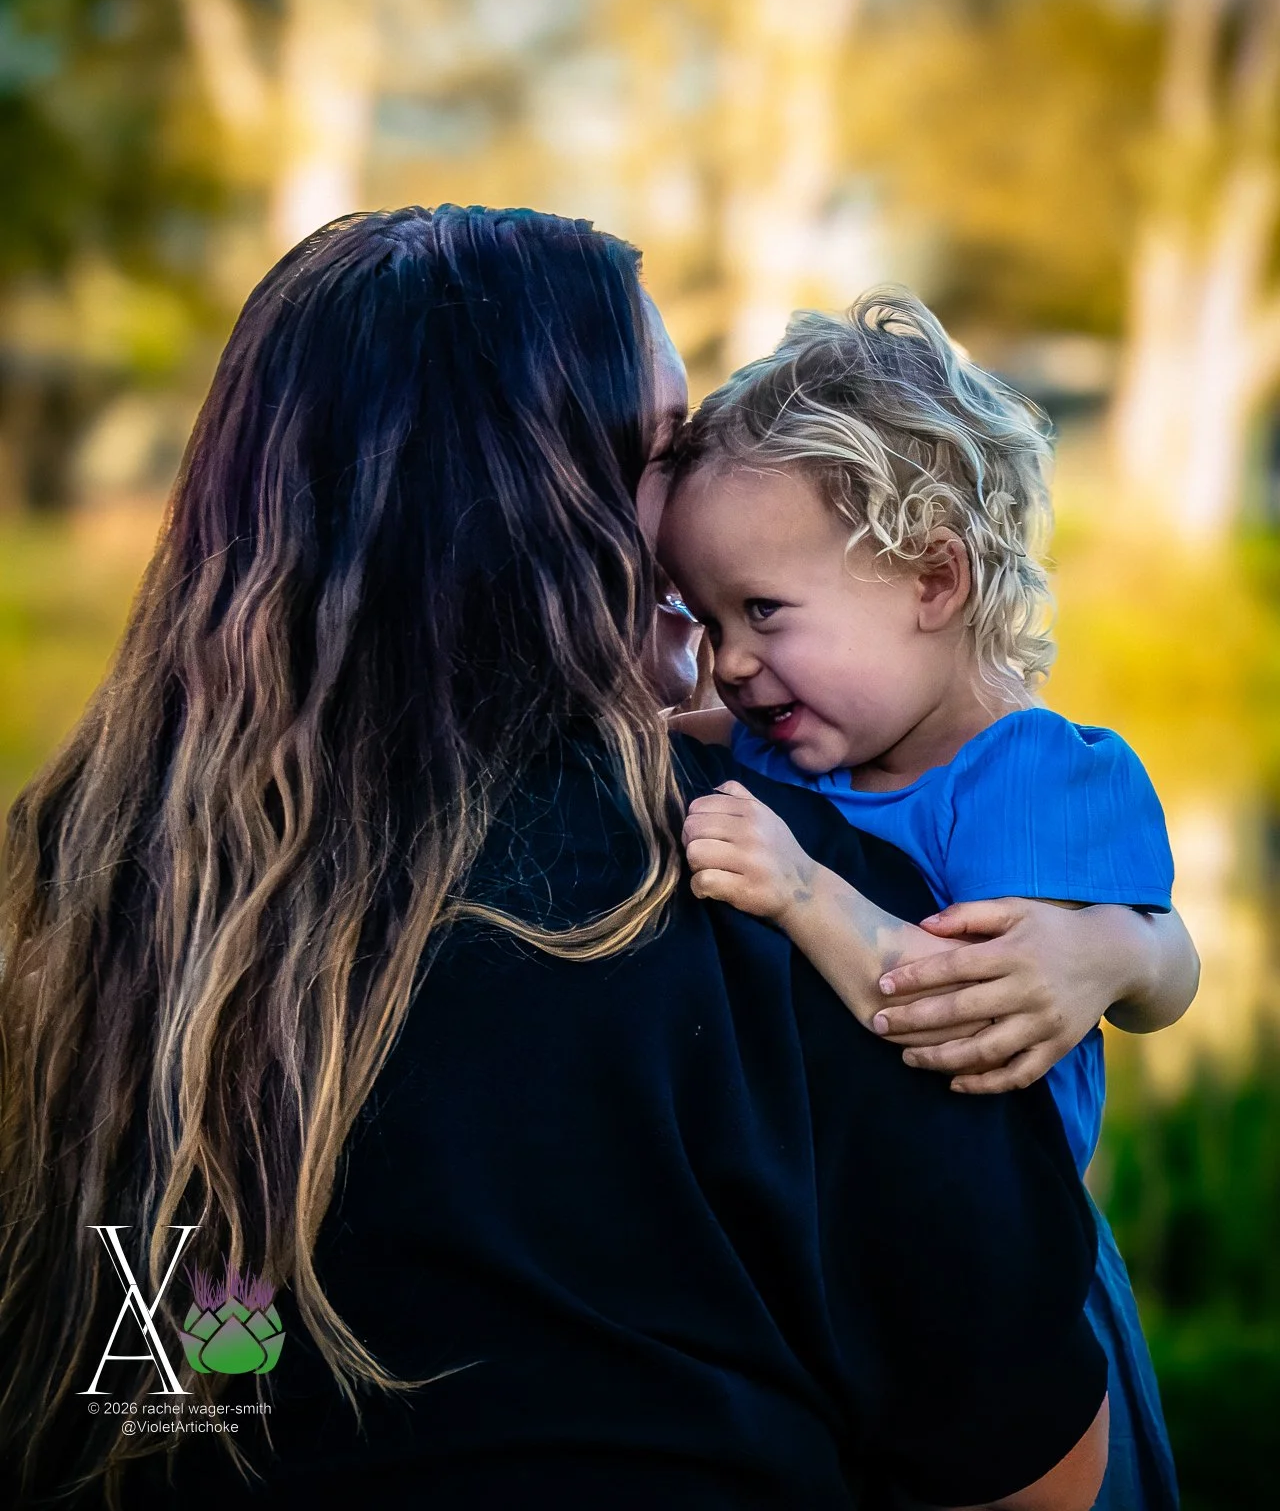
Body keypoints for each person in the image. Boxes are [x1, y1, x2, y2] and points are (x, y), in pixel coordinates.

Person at [0, 208, 1110, 1511]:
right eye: (661, 453)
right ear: (528, 512)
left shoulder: (82, 893)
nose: (700, 513)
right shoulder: (763, 882)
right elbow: (1039, 1479)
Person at [659, 288, 1198, 1511]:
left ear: (931, 580)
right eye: (703, 617)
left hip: (1008, 1302)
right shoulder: (794, 738)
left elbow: (954, 1015)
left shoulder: (1031, 782)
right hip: (848, 1257)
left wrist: (800, 890)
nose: (728, 662)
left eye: (763, 612)